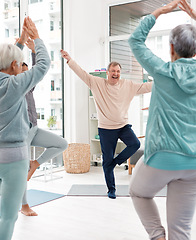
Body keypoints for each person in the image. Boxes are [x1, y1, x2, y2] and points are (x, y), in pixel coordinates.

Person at [127, 1, 196, 239]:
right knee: (181, 230)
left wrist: (158, 12)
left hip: (163, 157)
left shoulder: (162, 70)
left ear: (171, 48)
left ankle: (157, 235)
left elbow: (135, 40)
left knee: (138, 192)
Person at [0, 17, 50, 240]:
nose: (20, 66)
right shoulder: (16, 84)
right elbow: (44, 64)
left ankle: (6, 203)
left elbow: (4, 65)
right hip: (12, 159)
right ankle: (7, 207)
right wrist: (36, 38)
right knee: (9, 218)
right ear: (14, 66)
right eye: (18, 63)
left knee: (8, 202)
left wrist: (19, 43)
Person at [60, 50, 152, 199]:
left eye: (118, 71)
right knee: (106, 161)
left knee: (134, 144)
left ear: (120, 73)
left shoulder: (127, 85)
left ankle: (116, 162)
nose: (115, 73)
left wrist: (163, 82)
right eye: (113, 71)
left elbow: (146, 87)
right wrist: (69, 59)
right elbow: (81, 73)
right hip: (105, 129)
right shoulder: (97, 83)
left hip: (122, 126)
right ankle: (111, 189)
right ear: (107, 72)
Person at [0, 39, 68, 221]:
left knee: (61, 144)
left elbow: (38, 70)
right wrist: (18, 46)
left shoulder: (29, 87)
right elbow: (8, 70)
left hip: (34, 128)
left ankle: (36, 163)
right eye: (23, 71)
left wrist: (35, 51)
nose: (27, 76)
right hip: (22, 133)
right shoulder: (13, 87)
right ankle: (24, 205)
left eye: (28, 73)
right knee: (20, 171)